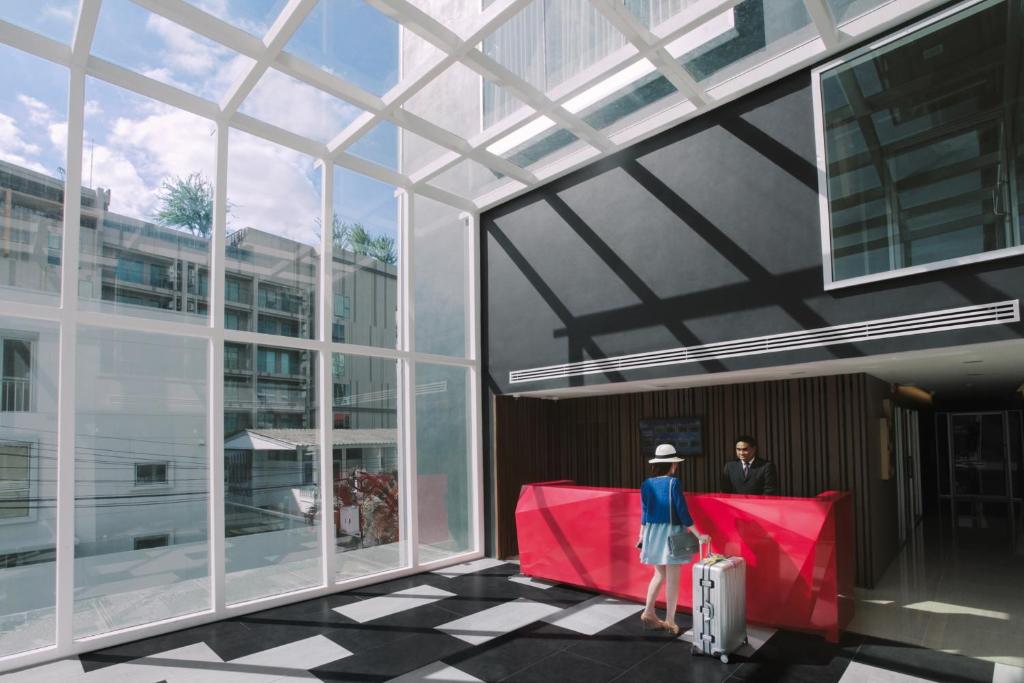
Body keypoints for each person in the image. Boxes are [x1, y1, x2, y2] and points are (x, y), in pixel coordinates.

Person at [637, 443, 709, 635]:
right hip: (671, 535)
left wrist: (641, 535)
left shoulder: (646, 484)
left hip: (652, 533)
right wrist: (698, 534)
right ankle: (669, 620)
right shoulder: (673, 483)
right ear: (673, 465)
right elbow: (682, 512)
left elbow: (644, 512)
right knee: (673, 580)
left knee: (659, 575)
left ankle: (648, 611)